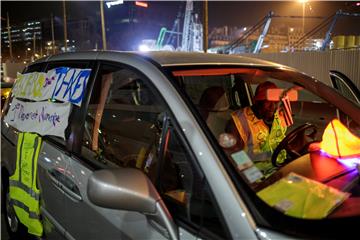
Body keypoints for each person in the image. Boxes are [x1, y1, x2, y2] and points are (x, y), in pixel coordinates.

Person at [228, 81, 288, 176]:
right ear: (256, 102)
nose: (273, 107)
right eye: (268, 101)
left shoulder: (279, 116)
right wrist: (255, 179)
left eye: (276, 102)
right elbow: (236, 156)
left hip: (281, 167)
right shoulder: (239, 122)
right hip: (257, 175)